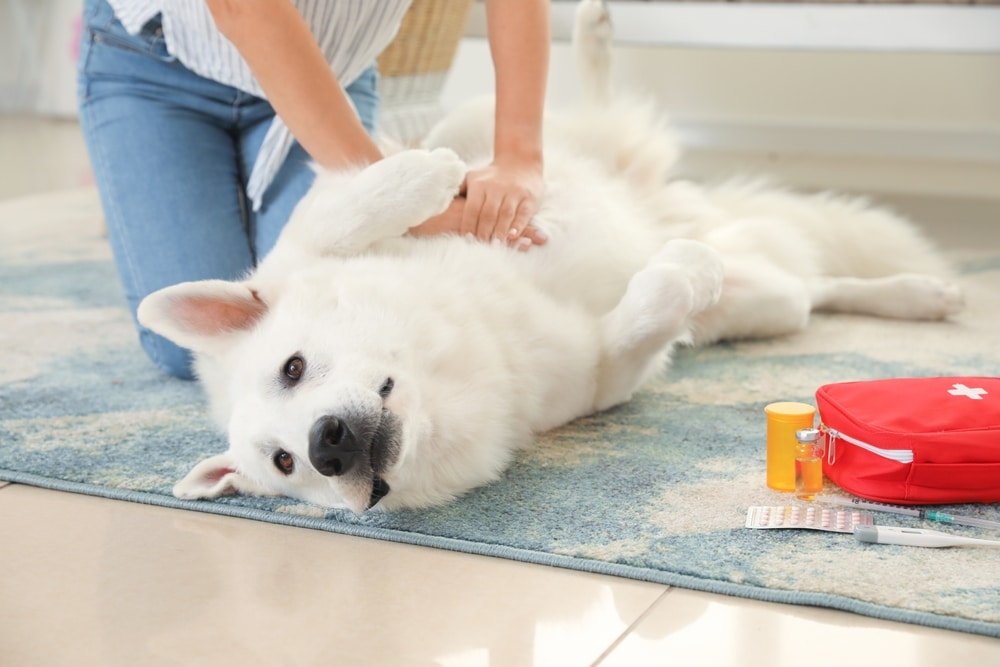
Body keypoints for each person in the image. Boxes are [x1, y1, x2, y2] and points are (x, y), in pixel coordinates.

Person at [77, 0, 550, 380]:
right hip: (155, 67)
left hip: (328, 72)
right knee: (192, 352)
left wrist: (518, 155)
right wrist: (402, 205)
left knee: (335, 296)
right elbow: (240, 8)